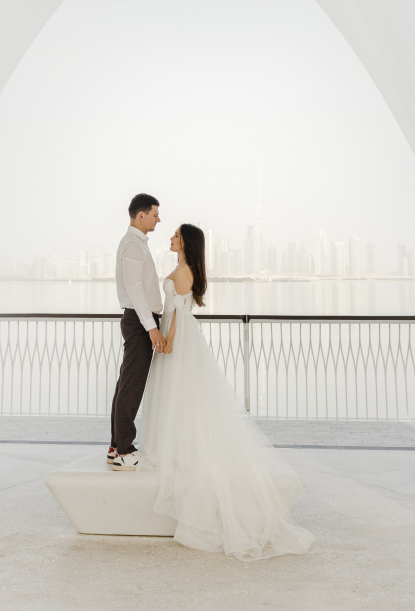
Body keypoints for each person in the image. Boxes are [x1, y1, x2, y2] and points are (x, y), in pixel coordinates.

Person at [137, 223, 315, 561]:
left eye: (176, 235)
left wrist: (169, 340)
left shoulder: (183, 271)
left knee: (181, 394)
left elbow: (178, 312)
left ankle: (181, 450)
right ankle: (176, 446)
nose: (171, 238)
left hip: (178, 335)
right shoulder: (183, 268)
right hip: (177, 332)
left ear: (186, 242)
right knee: (178, 395)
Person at [108, 193, 166, 470]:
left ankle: (115, 447)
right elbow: (135, 290)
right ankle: (124, 451)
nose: (158, 219)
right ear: (140, 215)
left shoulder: (136, 243)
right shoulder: (132, 245)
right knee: (131, 387)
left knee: (126, 384)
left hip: (139, 321)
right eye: (155, 214)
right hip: (139, 322)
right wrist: (151, 327)